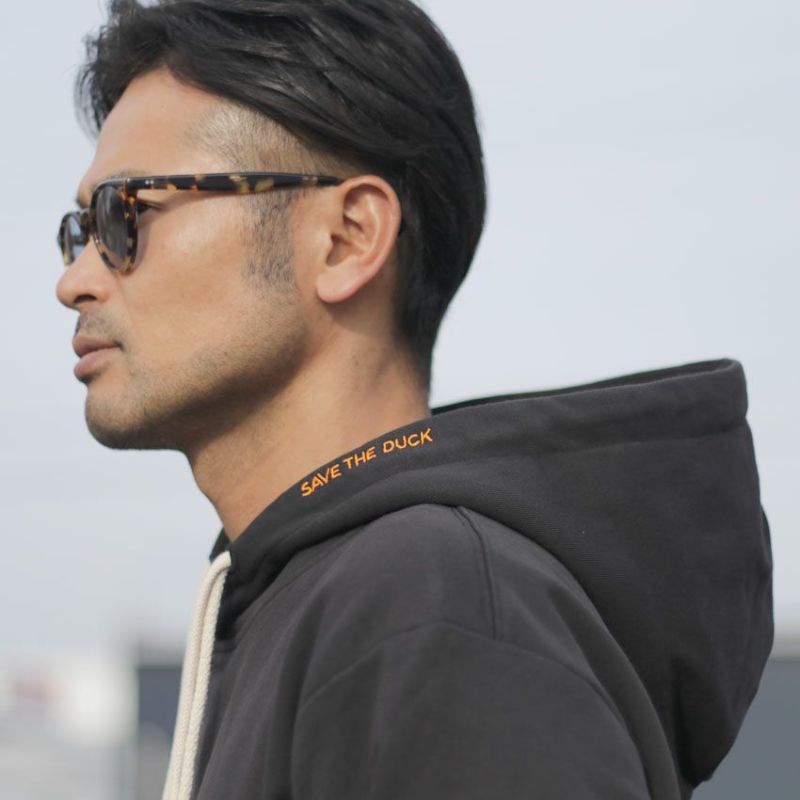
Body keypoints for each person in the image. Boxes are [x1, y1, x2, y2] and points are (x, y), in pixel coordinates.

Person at [55, 1, 773, 798]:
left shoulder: (437, 605)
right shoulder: (307, 605)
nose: (74, 280)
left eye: (125, 213)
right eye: (78, 230)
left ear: (348, 238)